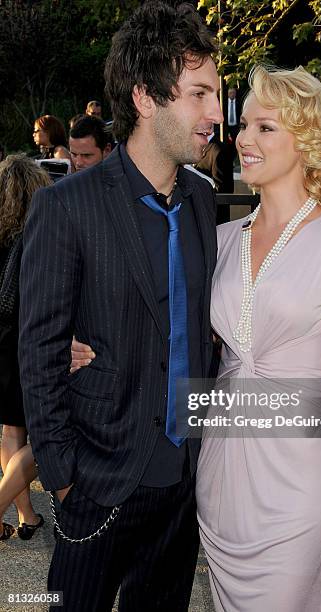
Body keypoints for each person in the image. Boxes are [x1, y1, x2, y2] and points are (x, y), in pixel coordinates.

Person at [19, 2, 222, 611]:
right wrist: (62, 474)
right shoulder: (67, 207)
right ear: (144, 97)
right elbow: (39, 350)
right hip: (97, 483)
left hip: (181, 487)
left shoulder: (203, 202)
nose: (216, 113)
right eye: (199, 94)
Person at [195, 65, 321, 611]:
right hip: (221, 472)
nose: (243, 139)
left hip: (299, 476)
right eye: (245, 126)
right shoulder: (218, 239)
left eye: (265, 128)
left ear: (305, 142)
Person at [0, 154, 51, 541]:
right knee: (48, 434)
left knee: (11, 432)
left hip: (2, 345)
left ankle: (27, 516)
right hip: (27, 343)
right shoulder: (37, 234)